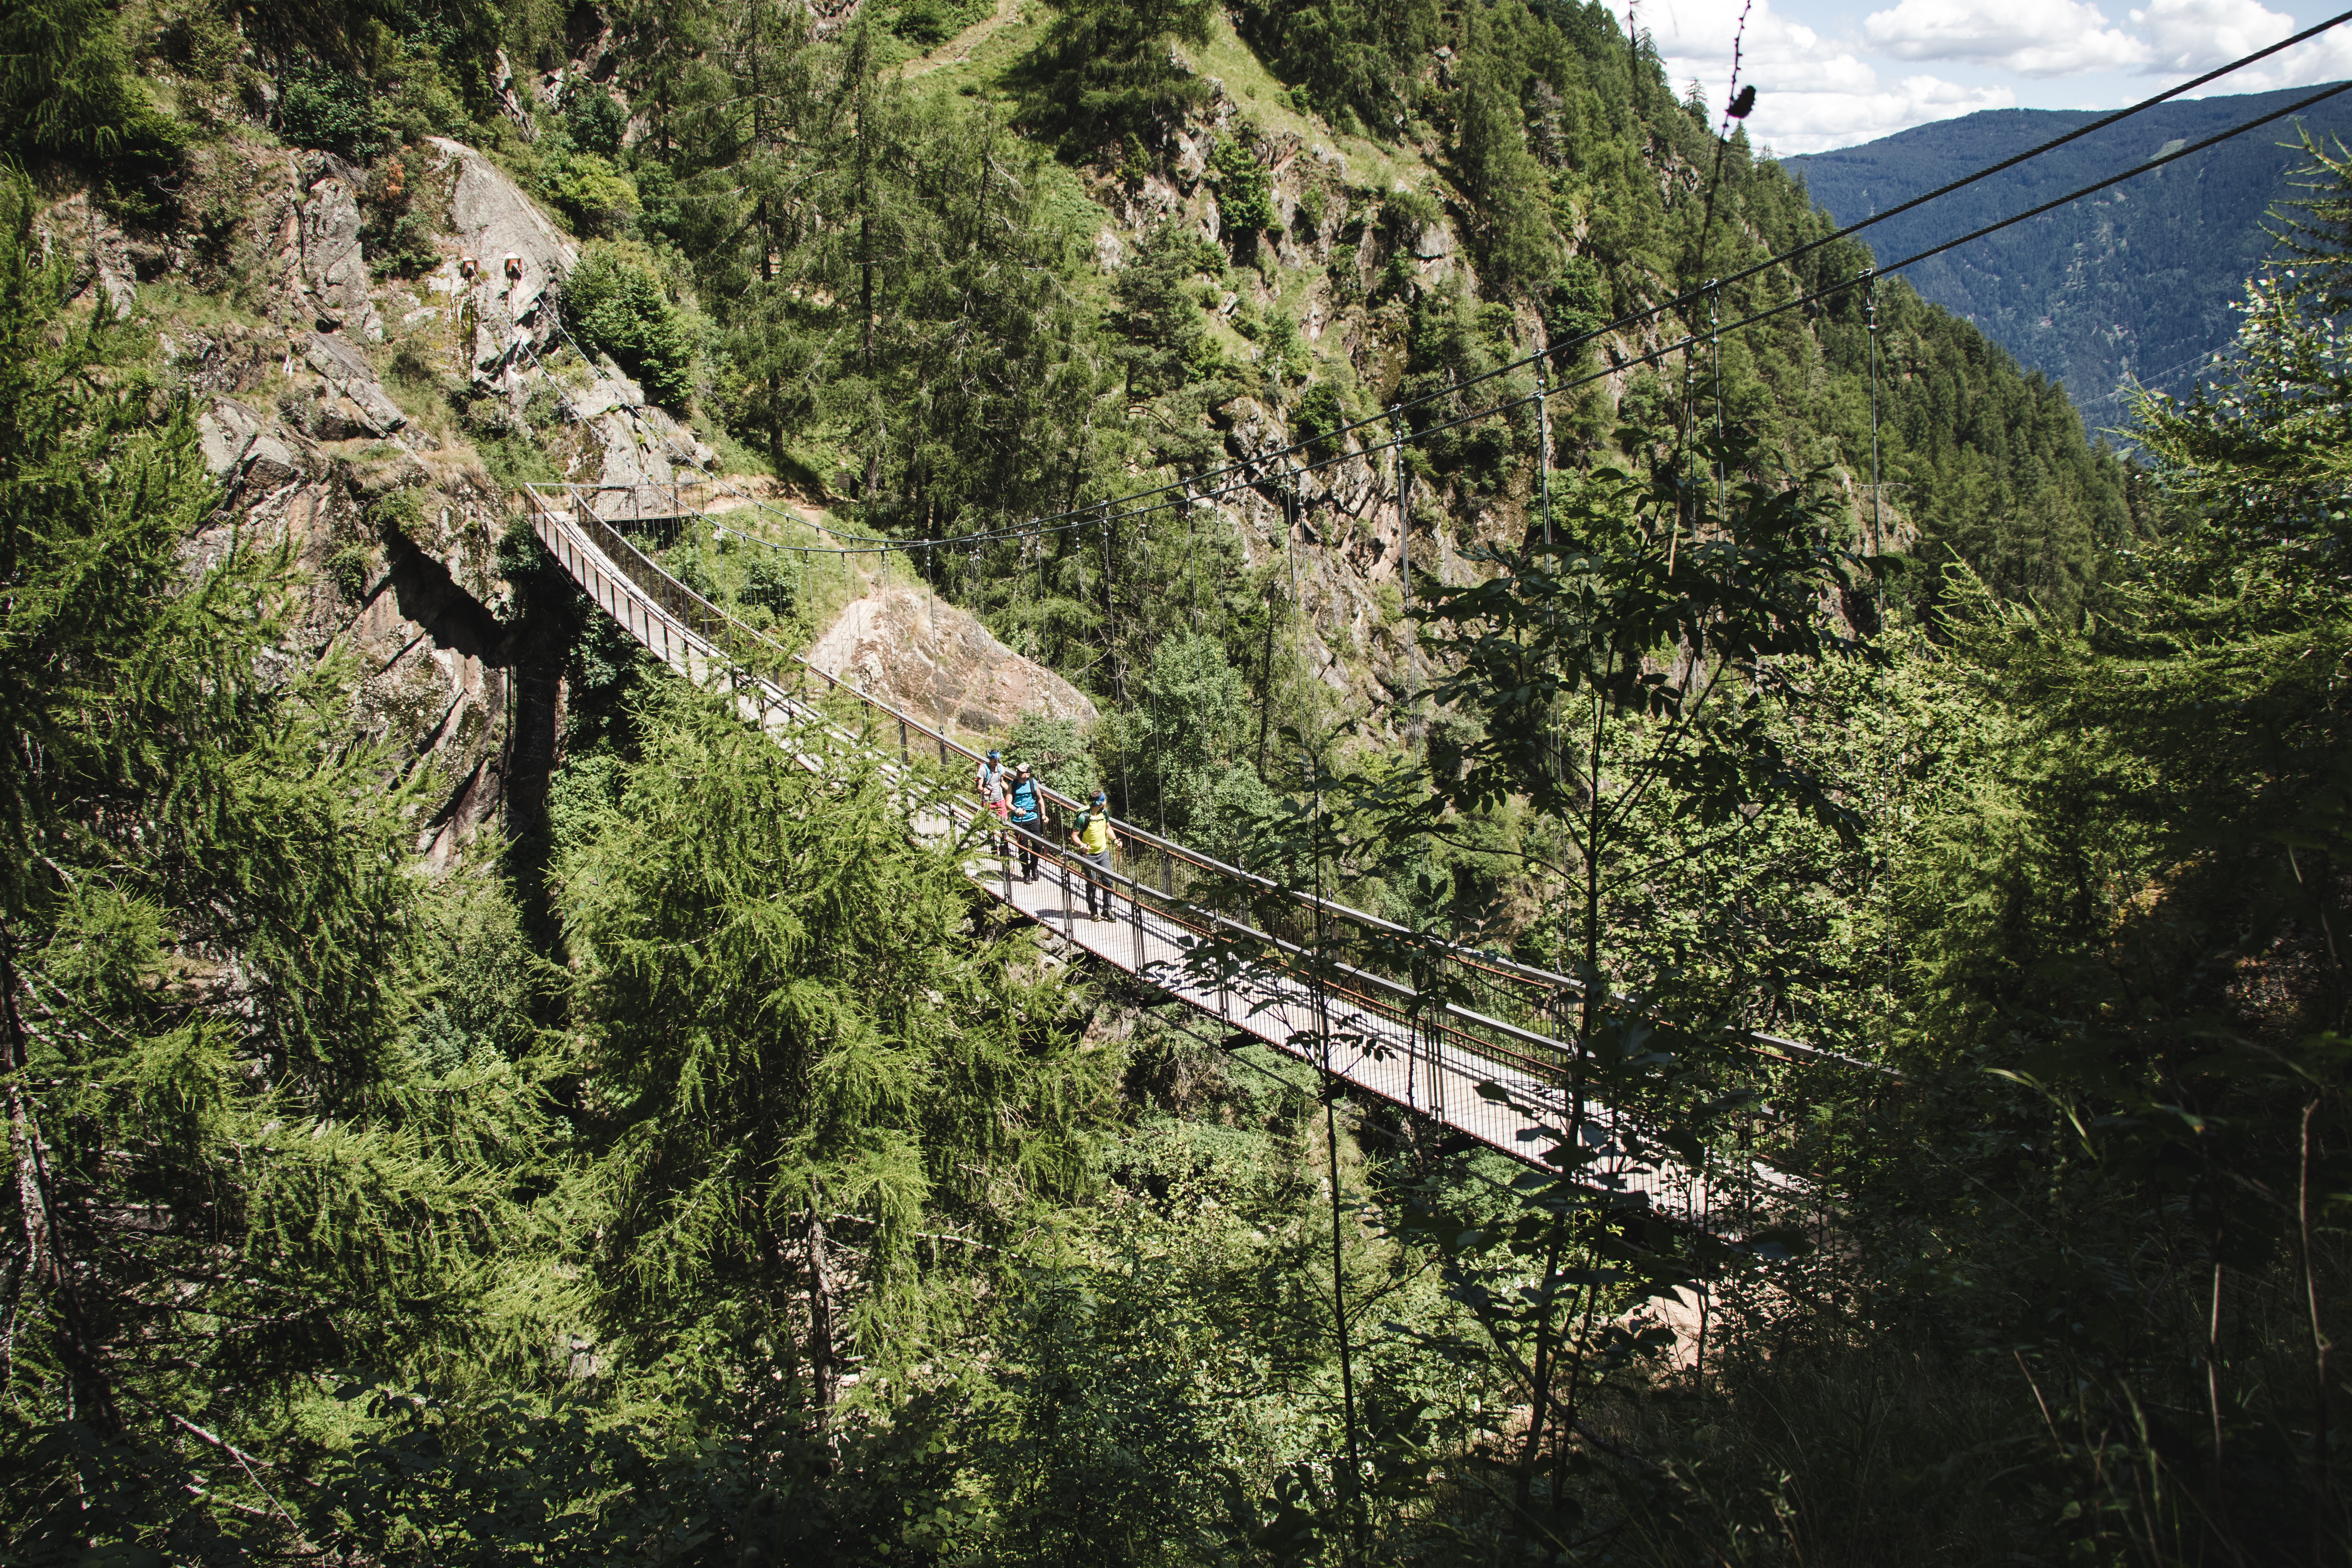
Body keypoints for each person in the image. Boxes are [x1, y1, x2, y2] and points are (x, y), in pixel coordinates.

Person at [1068, 789, 1120, 920]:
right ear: (1100, 803)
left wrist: (1115, 840)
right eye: (1104, 800)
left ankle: (1107, 910)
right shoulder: (1083, 817)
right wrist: (1082, 845)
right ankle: (1093, 911)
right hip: (1089, 856)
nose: (1106, 802)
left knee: (1108, 881)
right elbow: (1074, 835)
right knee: (1092, 883)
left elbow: (1108, 828)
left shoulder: (1104, 813)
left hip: (1103, 853)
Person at [1006, 763, 1044, 882]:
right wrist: (1016, 810)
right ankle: (1026, 873)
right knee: (1023, 848)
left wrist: (1044, 815)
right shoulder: (1013, 785)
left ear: (1028, 775)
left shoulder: (1033, 784)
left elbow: (1040, 798)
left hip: (1033, 819)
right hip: (1019, 822)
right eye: (1017, 772)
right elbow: (1008, 803)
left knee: (1038, 846)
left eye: (1021, 773)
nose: (1018, 774)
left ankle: (1034, 866)